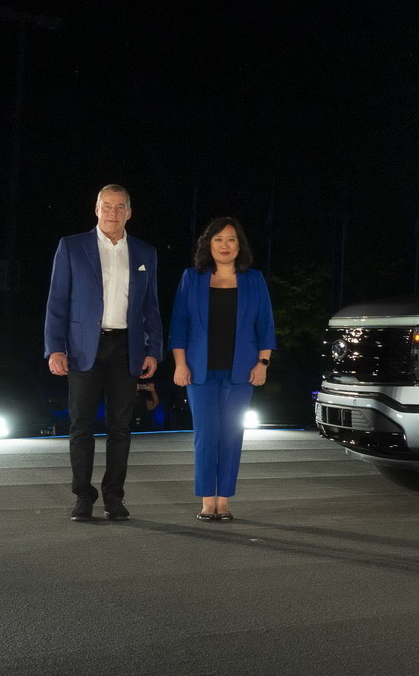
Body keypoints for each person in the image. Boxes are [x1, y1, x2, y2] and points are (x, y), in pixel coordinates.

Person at [45, 185, 164, 522]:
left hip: (126, 348)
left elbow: (151, 306)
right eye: (107, 206)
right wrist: (55, 348)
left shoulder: (145, 252)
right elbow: (57, 302)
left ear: (129, 212)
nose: (113, 212)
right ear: (96, 209)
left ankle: (114, 497)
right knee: (81, 425)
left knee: (120, 427)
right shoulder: (72, 246)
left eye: (120, 206)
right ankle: (83, 497)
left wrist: (153, 350)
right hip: (84, 348)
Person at [170, 217, 276, 522]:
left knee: (232, 435)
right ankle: (207, 500)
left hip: (241, 371)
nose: (224, 245)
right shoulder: (192, 278)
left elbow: (265, 325)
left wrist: (263, 363)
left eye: (231, 239)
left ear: (239, 245)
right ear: (208, 244)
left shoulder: (254, 279)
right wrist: (180, 364)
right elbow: (179, 325)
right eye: (218, 239)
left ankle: (224, 500)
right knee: (205, 435)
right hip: (198, 371)